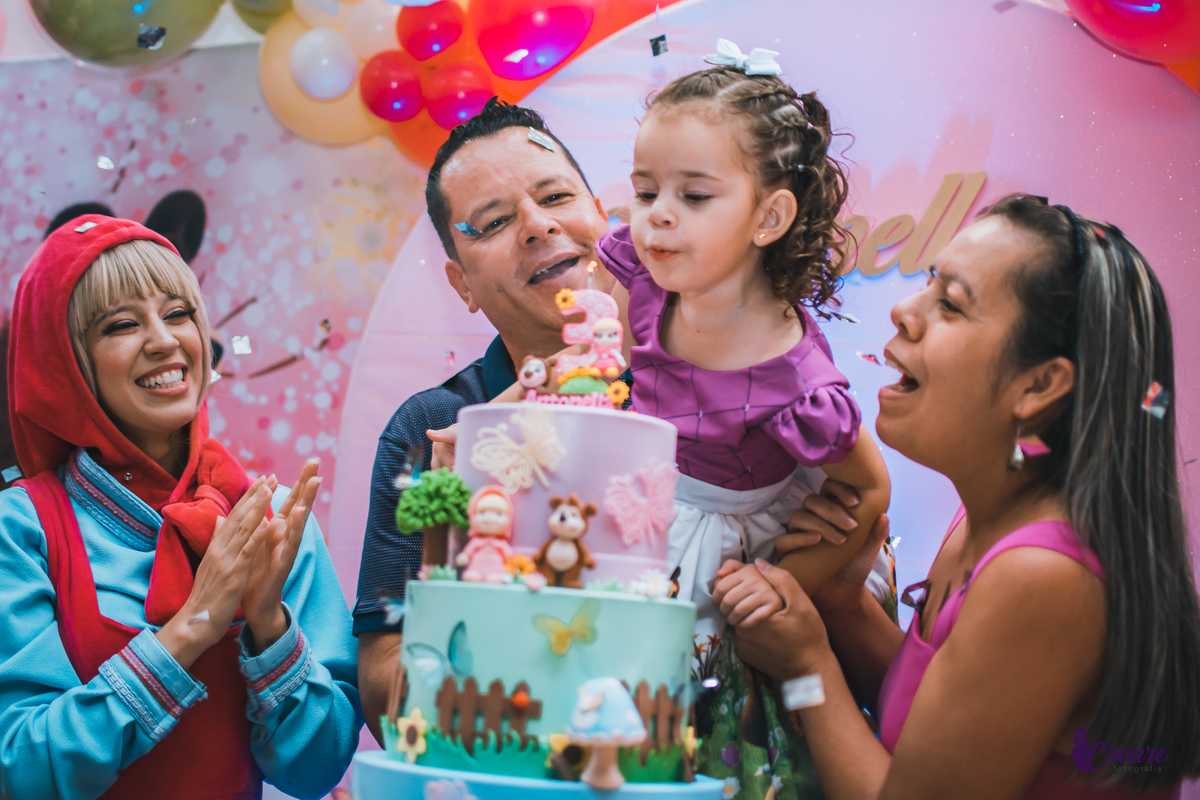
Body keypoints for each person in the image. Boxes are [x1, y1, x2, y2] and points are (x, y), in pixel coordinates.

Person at [716, 195, 1200, 798]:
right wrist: (844, 607)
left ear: (1040, 385)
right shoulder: (980, 521)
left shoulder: (1041, 574)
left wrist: (807, 670)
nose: (903, 311)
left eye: (950, 304)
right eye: (929, 283)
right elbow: (940, 725)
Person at [595, 50, 892, 799]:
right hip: (647, 503)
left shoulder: (795, 380)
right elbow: (610, 374)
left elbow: (869, 489)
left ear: (769, 217)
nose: (658, 213)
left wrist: (784, 582)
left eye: (694, 195)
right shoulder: (642, 278)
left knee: (703, 726)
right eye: (645, 190)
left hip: (732, 546)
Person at [0, 216, 361, 799]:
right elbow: (20, 771)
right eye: (122, 324)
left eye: (178, 314)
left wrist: (268, 622)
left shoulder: (271, 518)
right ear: (66, 364)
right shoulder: (21, 528)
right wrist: (194, 625)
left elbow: (316, 771)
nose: (164, 341)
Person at [353, 99, 620, 744]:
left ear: (603, 217)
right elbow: (384, 691)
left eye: (556, 196)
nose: (536, 225)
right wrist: (453, 560)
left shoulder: (705, 385)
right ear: (462, 285)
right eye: (494, 222)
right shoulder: (436, 429)